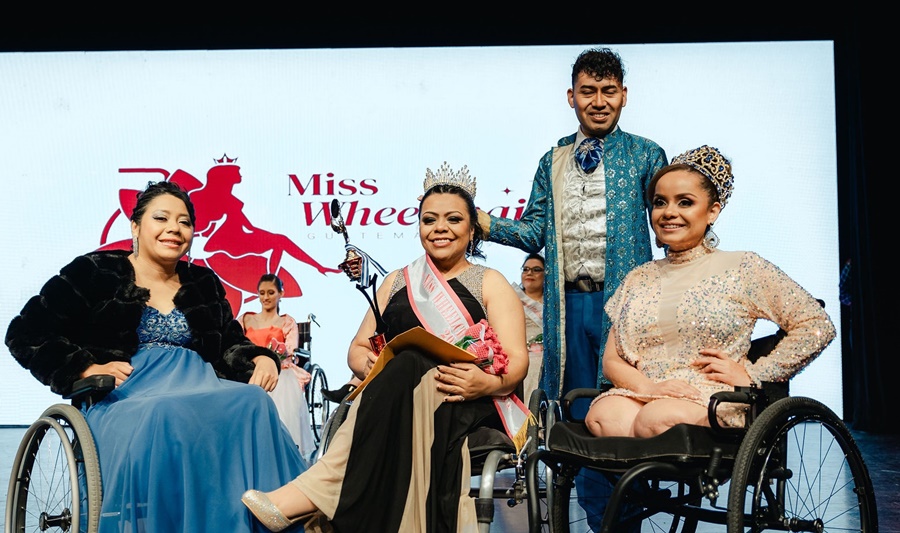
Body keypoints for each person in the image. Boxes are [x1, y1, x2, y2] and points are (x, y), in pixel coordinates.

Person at [241, 162, 529, 532]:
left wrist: (486, 383)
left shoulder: (490, 282)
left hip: (463, 400)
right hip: (396, 392)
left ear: (472, 228)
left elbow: (517, 362)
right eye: (429, 220)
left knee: (409, 363)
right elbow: (358, 348)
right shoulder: (398, 281)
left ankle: (314, 497)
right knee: (406, 363)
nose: (440, 228)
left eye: (453, 219)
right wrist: (370, 363)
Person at [5, 180, 307, 532]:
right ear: (135, 225)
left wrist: (262, 358)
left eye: (184, 222)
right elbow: (25, 333)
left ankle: (272, 515)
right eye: (162, 218)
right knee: (168, 412)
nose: (174, 229)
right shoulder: (94, 272)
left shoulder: (202, 283)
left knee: (253, 401)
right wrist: (85, 365)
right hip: (127, 394)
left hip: (200, 382)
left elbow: (228, 344)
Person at [476, 46, 667, 528]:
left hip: (624, 307)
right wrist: (479, 221)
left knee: (625, 404)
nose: (598, 100)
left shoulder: (647, 153)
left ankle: (629, 516)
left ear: (624, 96)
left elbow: (670, 226)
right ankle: (599, 516)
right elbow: (533, 231)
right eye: (588, 91)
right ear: (571, 96)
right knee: (579, 411)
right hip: (569, 306)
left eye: (608, 91)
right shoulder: (552, 159)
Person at [584, 145, 836, 438]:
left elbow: (817, 326)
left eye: (685, 202)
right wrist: (647, 388)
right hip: (645, 389)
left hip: (710, 394)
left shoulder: (742, 266)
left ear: (712, 210)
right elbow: (612, 359)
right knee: (605, 418)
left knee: (659, 418)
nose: (669, 213)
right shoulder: (639, 278)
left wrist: (755, 375)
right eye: (660, 202)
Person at [239, 273, 317, 462]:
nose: (266, 297)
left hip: (279, 369)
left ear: (281, 293)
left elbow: (289, 351)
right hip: (248, 369)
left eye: (271, 292)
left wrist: (275, 355)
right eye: (262, 293)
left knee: (283, 384)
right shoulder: (246, 319)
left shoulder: (286, 322)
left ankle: (280, 447)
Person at [514, 252, 545, 400]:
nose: (529, 273)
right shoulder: (512, 297)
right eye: (525, 269)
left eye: (536, 269)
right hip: (519, 355)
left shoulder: (554, 303)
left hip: (546, 358)